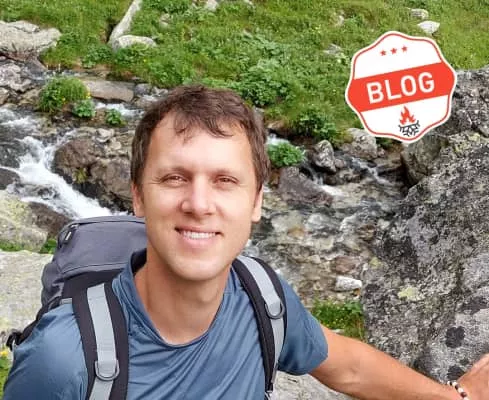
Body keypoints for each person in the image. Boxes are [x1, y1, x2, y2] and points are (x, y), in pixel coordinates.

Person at [3, 85, 488, 399]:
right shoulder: (65, 360)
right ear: (137, 197)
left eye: (225, 181)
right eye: (174, 178)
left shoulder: (262, 296)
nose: (199, 203)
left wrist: (456, 397)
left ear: (256, 201)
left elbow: (349, 367)